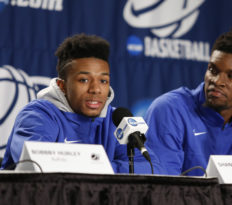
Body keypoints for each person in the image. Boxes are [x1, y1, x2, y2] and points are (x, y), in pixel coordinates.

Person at [1, 33, 163, 174]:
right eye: (84, 80)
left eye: (103, 80)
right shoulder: (38, 115)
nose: (95, 89)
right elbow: (36, 165)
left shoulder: (114, 120)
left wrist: (92, 168)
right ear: (62, 86)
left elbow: (150, 166)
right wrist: (103, 167)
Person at [144, 30, 232, 176]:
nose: (217, 81)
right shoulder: (169, 110)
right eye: (212, 70)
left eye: (231, 76)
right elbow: (164, 186)